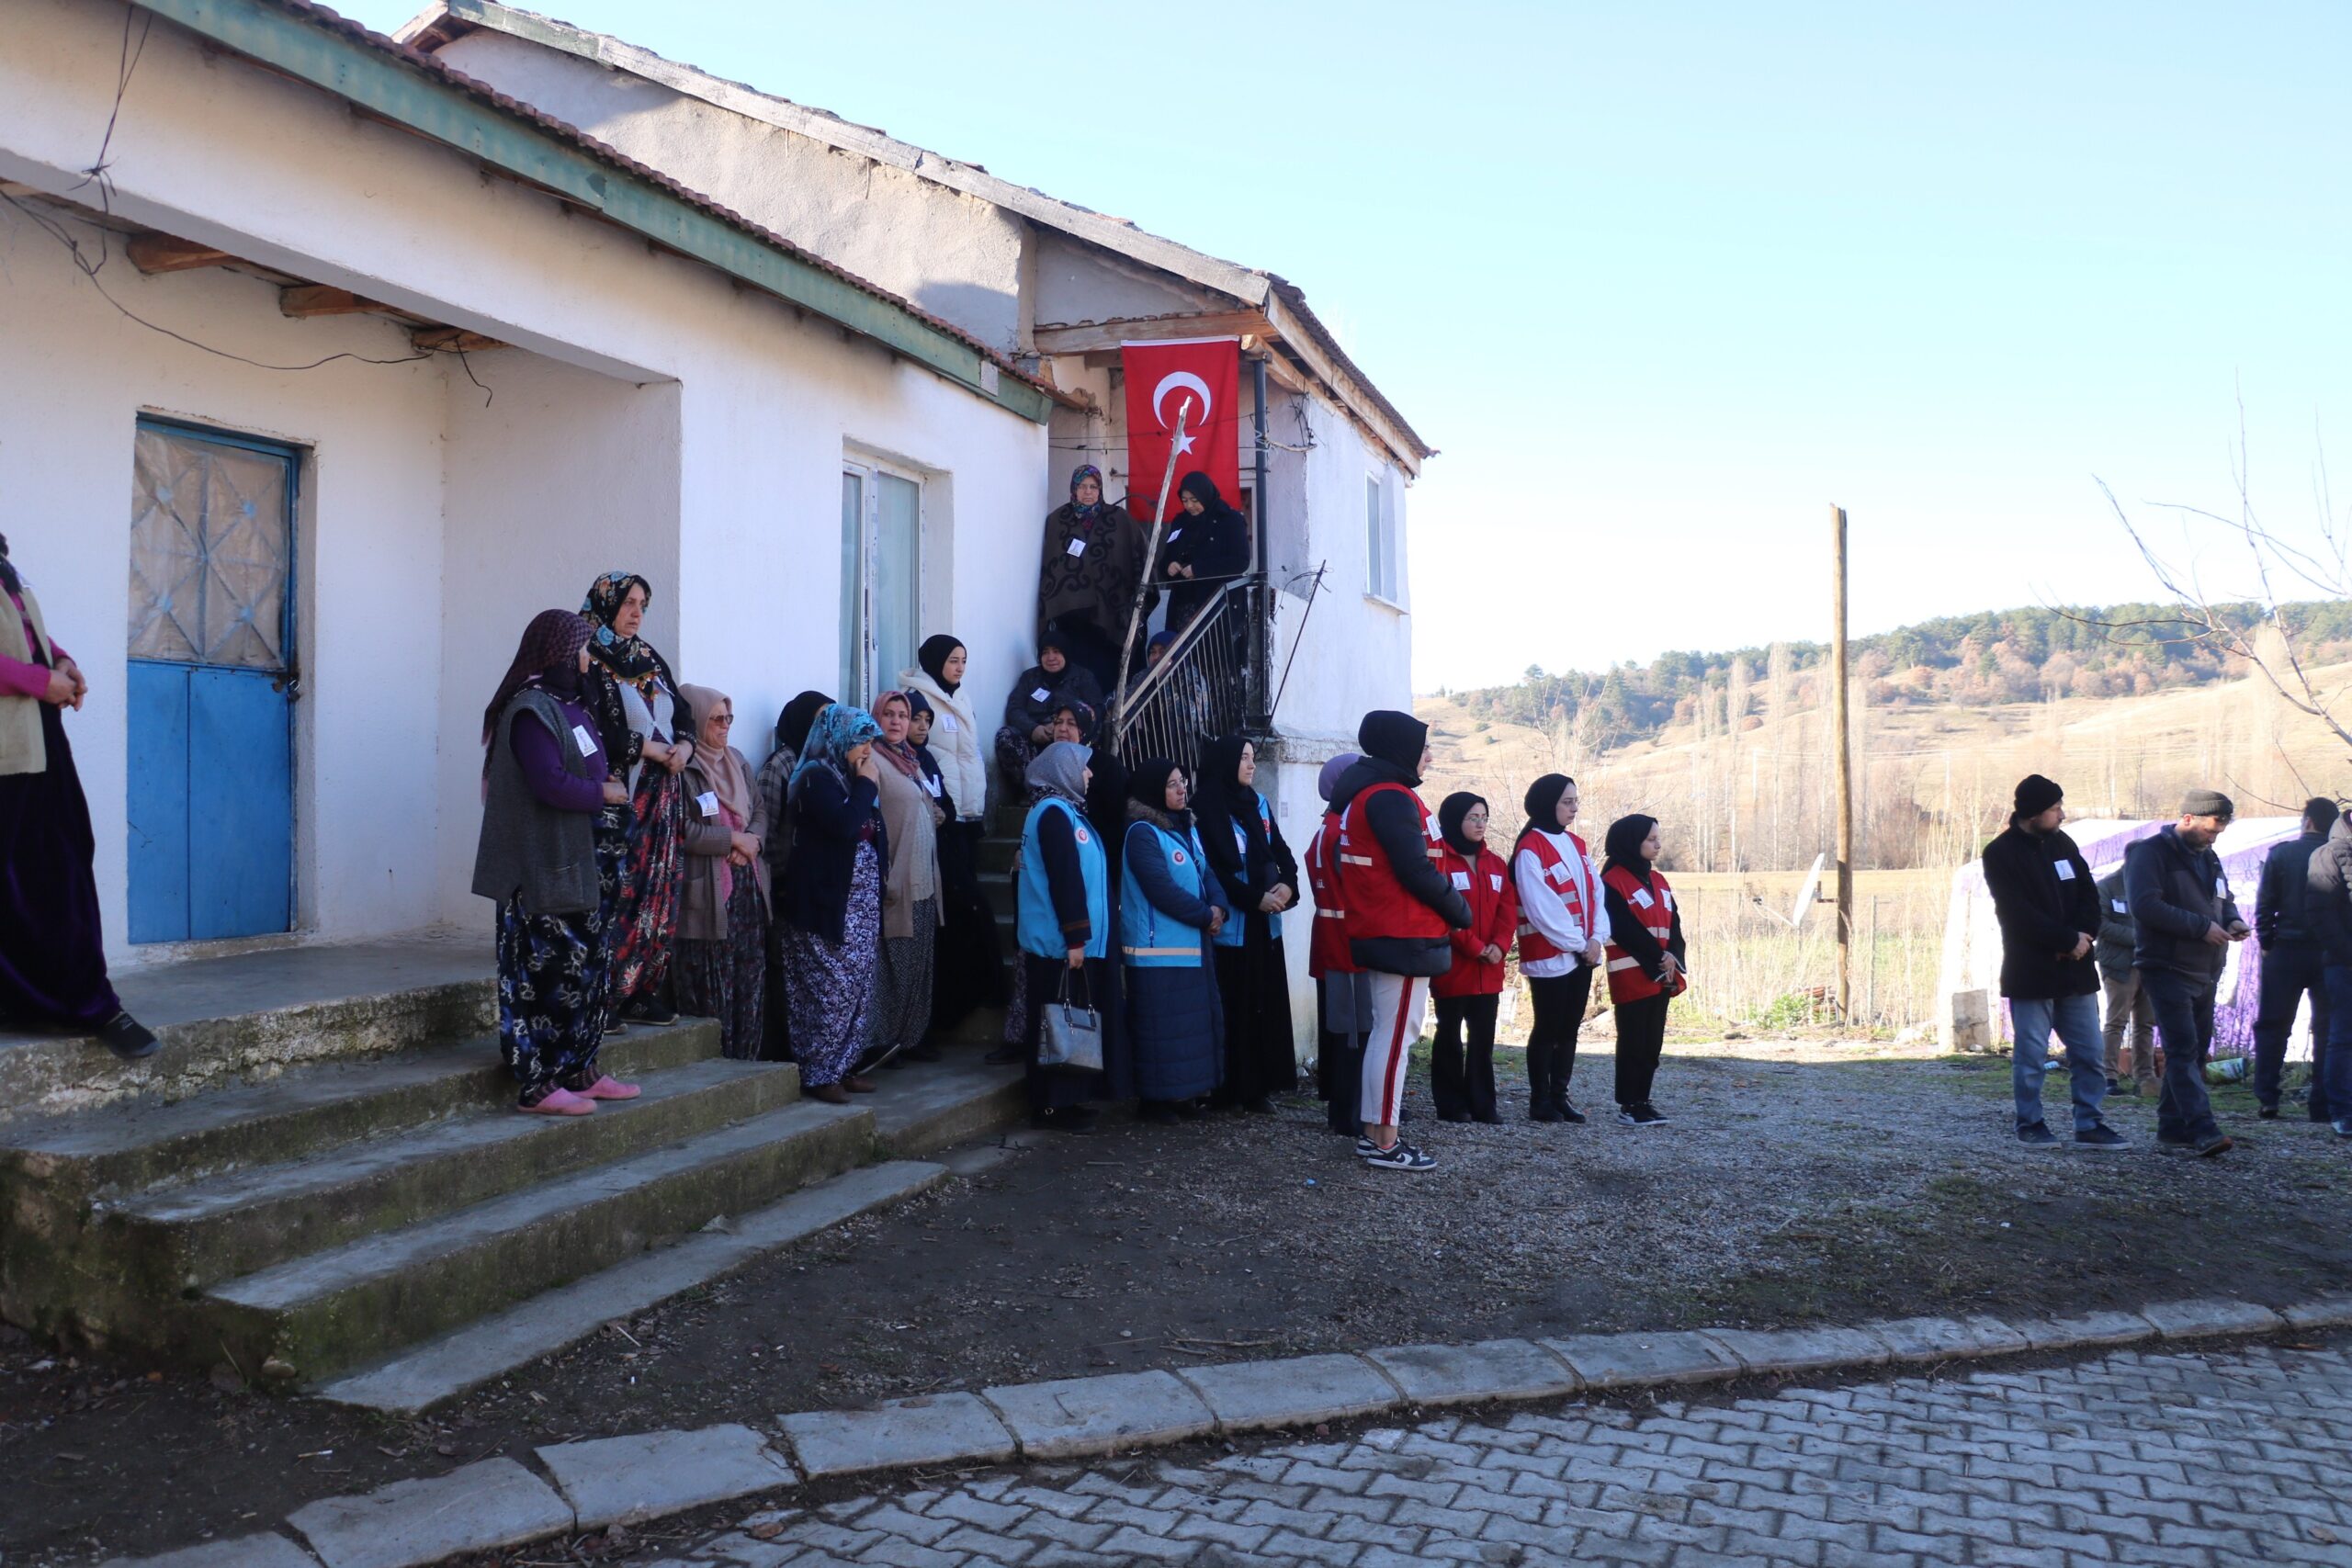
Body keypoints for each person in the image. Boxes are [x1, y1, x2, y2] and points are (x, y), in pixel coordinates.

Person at [473, 610, 639, 1113]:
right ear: (560, 653)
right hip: (544, 868)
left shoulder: (570, 705)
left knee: (587, 973)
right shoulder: (530, 710)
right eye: (583, 649)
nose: (590, 660)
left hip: (584, 864)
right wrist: (604, 792)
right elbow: (549, 783)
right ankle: (538, 1083)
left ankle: (578, 1068)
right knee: (542, 979)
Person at [0, 534, 157, 1058]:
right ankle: (73, 1004)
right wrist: (36, 681)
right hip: (8, 749)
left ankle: (83, 1000)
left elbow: (23, 634)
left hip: (35, 740)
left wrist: (60, 662)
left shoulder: (5, 563)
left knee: (60, 863)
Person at [1327, 711, 1472, 1171]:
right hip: (1403, 932)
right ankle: (1386, 1140)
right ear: (1400, 749)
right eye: (1423, 746)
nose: (1427, 755)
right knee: (1394, 1038)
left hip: (1391, 929)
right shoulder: (1389, 797)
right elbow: (1415, 870)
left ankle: (1376, 1132)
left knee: (1388, 1035)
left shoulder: (1374, 793)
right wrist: (1459, 909)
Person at [1980, 775, 2121, 1148]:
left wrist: (2083, 936)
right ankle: (2030, 1122)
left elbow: (2088, 894)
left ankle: (2089, 1123)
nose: (2062, 814)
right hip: (2032, 971)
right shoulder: (2000, 853)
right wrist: (2063, 940)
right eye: (2055, 808)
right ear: (2033, 813)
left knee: (2090, 1052)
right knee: (2030, 1055)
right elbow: (2016, 913)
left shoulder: (2063, 843)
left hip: (2076, 970)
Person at [580, 571, 692, 1032]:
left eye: (643, 604)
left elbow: (680, 714)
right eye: (628, 603)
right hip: (619, 793)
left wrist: (683, 748)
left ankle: (640, 989)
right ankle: (602, 995)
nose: (636, 614)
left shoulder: (647, 656)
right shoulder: (587, 656)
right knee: (618, 891)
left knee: (657, 891)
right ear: (607, 604)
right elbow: (586, 724)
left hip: (661, 792)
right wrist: (644, 749)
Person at [2124, 788, 2250, 1157]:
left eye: (2220, 832)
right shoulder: (2149, 854)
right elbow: (2145, 906)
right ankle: (2203, 1129)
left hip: (2204, 968)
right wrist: (2200, 927)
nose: (2215, 838)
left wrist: (2233, 920)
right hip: (2165, 965)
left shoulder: (2208, 857)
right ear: (2188, 818)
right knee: (2182, 1050)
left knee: (2194, 1054)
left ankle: (2171, 1127)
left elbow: (2222, 898)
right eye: (2211, 830)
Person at [1016, 740, 1131, 1134]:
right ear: (1064, 770)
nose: (1090, 774)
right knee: (1055, 1022)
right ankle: (1050, 1106)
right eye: (1083, 767)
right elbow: (1065, 880)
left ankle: (1070, 1099)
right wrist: (1076, 938)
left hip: (1073, 942)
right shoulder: (1052, 814)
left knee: (1073, 1019)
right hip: (1059, 944)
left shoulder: (1067, 812)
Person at [777, 704, 888, 1105]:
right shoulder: (815, 778)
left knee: (857, 988)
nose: (867, 750)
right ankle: (819, 1072)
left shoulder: (847, 777)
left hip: (858, 907)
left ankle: (844, 1066)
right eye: (861, 740)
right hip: (825, 904)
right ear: (840, 738)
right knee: (828, 990)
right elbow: (845, 826)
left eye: (870, 742)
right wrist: (867, 787)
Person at [1193, 735, 1300, 1113]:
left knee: (1263, 1006)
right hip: (1233, 925)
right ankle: (1228, 1091)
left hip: (1264, 924)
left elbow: (1282, 852)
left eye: (1254, 758)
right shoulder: (1205, 808)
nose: (1252, 765)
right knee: (1234, 1008)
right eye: (1244, 758)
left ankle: (1258, 1088)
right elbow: (1214, 870)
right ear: (1225, 762)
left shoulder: (1258, 804)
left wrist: (1288, 884)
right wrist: (1254, 898)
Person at [1120, 759, 1230, 1122]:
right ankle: (1154, 1100)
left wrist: (1219, 907)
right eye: (1171, 784)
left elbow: (1206, 872)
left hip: (1190, 948)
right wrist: (1205, 916)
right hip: (1157, 954)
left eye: (1182, 781)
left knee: (1188, 1030)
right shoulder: (1142, 834)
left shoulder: (1186, 829)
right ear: (1155, 791)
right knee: (1160, 1031)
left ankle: (1185, 1095)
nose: (1182, 789)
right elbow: (1160, 889)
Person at [673, 684, 767, 1061]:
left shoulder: (738, 760)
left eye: (729, 717)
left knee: (750, 982)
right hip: (709, 897)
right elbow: (682, 830)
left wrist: (753, 842)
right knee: (714, 987)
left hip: (749, 890)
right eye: (716, 719)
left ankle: (749, 1065)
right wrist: (732, 840)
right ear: (695, 719)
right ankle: (719, 1066)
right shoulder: (685, 768)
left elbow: (760, 810)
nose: (724, 725)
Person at [1511, 774, 1607, 1123]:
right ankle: (1540, 1101)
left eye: (1575, 800)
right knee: (1548, 1028)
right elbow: (1542, 908)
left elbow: (1597, 894)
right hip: (1551, 956)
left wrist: (1597, 938)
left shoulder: (1578, 844)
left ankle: (1559, 1095)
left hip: (1583, 953)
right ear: (1547, 803)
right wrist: (1580, 944)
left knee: (1569, 1029)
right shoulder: (1530, 848)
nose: (1574, 807)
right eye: (1567, 801)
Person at [911, 691, 1006, 1038]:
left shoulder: (928, 759)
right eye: (915, 719)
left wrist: (941, 814)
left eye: (926, 721)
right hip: (921, 863)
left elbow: (947, 804)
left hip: (945, 852)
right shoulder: (895, 760)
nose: (921, 727)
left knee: (976, 913)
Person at [866, 691, 944, 1069]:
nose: (897, 722)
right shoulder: (873, 760)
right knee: (892, 966)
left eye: (903, 715)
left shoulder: (911, 760)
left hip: (924, 878)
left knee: (918, 965)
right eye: (889, 714)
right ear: (876, 718)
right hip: (897, 878)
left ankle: (910, 1039)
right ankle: (884, 1042)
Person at [1430, 792, 1517, 1123]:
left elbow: (1507, 909)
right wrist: (1473, 946)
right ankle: (1452, 1105)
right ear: (1454, 820)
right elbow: (1441, 910)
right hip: (1454, 965)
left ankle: (1483, 1104)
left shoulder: (1495, 863)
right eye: (1472, 818)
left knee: (1483, 1040)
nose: (1480, 824)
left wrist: (1498, 945)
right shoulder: (1439, 860)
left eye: (1484, 818)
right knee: (1449, 1035)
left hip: (1489, 969)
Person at [754, 691, 831, 1061]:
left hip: (815, 885)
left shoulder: (825, 762)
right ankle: (787, 1056)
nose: (824, 727)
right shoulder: (782, 764)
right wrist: (779, 884)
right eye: (818, 718)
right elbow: (768, 833)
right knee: (786, 975)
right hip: (787, 886)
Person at [1598, 815, 1687, 1126]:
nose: (1658, 844)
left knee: (1652, 1043)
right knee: (1633, 1041)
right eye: (1651, 839)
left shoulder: (1659, 880)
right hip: (1633, 972)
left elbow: (1673, 923)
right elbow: (1622, 927)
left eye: (1658, 838)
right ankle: (1629, 1104)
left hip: (1662, 972)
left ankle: (1644, 1100)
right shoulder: (1612, 880)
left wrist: (1674, 955)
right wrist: (1657, 956)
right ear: (1631, 841)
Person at [2253, 797, 2338, 1121]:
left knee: (2273, 1026)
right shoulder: (2342, 856)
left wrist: (2266, 941)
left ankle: (2267, 1099)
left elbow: (2265, 904)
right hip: (2330, 953)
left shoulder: (2282, 854)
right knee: (2329, 1029)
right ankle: (2322, 1104)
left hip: (2285, 950)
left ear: (2307, 822)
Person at [1037, 463, 1152, 694]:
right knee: (1076, 680)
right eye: (1082, 486)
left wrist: (1136, 602)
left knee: (1107, 678)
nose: (1088, 492)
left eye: (1093, 487)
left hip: (1111, 618)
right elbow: (1051, 566)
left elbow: (1140, 558)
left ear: (1100, 489)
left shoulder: (1120, 520)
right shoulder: (1058, 521)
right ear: (1073, 488)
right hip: (1072, 621)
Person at [1306, 753, 1373, 1137]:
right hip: (1347, 941)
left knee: (1349, 1028)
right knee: (1354, 1030)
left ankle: (1346, 1108)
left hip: (1334, 937)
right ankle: (1349, 1113)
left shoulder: (1328, 827)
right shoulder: (1341, 830)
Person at [995, 632, 1105, 795]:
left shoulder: (1083, 677)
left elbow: (1097, 710)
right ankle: (1032, 790)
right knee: (1005, 736)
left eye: (1056, 651)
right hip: (1037, 741)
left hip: (1071, 744)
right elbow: (1014, 708)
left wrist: (1067, 727)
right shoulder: (1029, 677)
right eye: (1045, 652)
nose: (1050, 657)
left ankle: (1067, 790)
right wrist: (1033, 729)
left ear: (1065, 653)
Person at [2305, 811, 2352, 1137]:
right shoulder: (2329, 853)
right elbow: (2321, 912)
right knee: (2343, 1038)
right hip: (2344, 964)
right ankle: (2342, 1111)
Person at [1159, 471, 1250, 631]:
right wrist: (1169, 565)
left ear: (1206, 495)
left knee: (1212, 654)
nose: (1189, 506)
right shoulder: (1180, 522)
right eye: (1185, 500)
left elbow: (1240, 561)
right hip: (1182, 605)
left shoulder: (1230, 520)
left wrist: (1199, 569)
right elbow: (1166, 558)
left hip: (1217, 606)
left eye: (1195, 500)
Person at [2094, 865, 2156, 1096]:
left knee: (2146, 1023)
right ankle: (2108, 1075)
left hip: (2150, 964)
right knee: (2116, 1020)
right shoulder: (2107, 887)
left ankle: (2145, 1077)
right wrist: (2139, 939)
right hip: (2119, 964)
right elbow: (2100, 924)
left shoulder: (2154, 885)